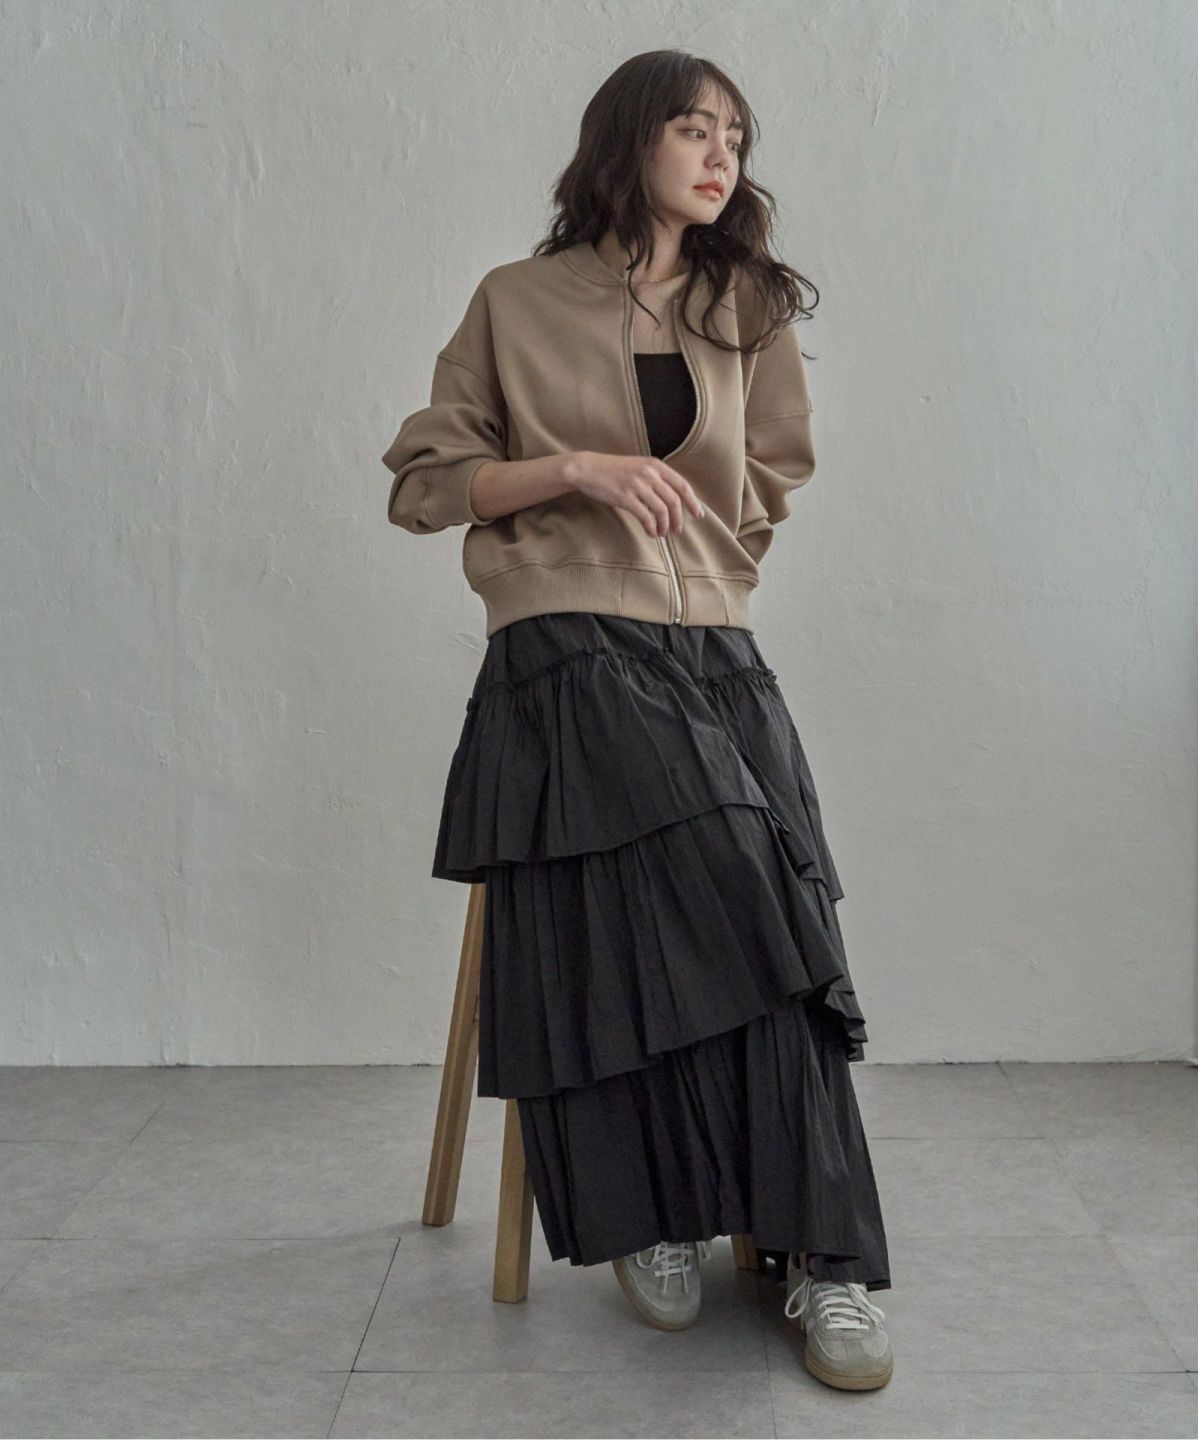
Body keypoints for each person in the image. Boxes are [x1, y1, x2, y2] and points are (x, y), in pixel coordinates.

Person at [382, 49, 894, 1392]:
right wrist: (573, 472)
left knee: (781, 894)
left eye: (736, 135)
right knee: (733, 867)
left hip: (712, 644)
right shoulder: (516, 300)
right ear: (629, 141)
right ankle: (657, 1204)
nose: (722, 155)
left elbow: (773, 467)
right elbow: (425, 480)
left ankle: (817, 1254)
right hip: (560, 643)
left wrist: (714, 562)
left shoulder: (747, 306)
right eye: (693, 128)